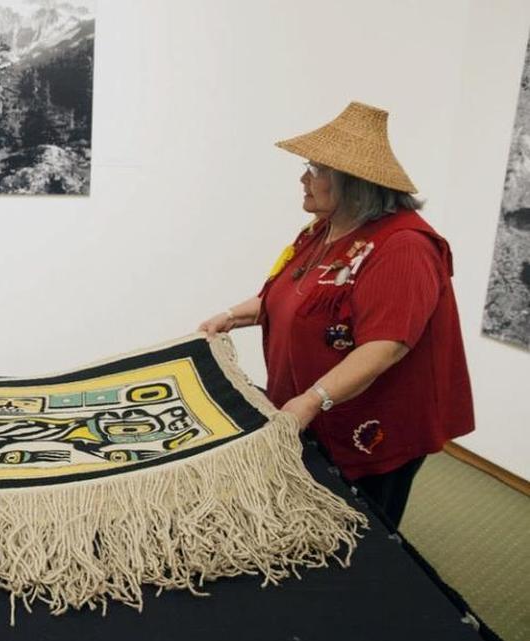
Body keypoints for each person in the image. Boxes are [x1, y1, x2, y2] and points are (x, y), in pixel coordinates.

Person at [198, 101, 474, 528]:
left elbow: (385, 346)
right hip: (314, 413)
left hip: (371, 428)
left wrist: (311, 400)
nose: (303, 178)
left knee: (364, 528)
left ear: (352, 183)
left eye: (316, 170)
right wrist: (230, 316)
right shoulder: (323, 231)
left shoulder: (405, 247)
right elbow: (287, 297)